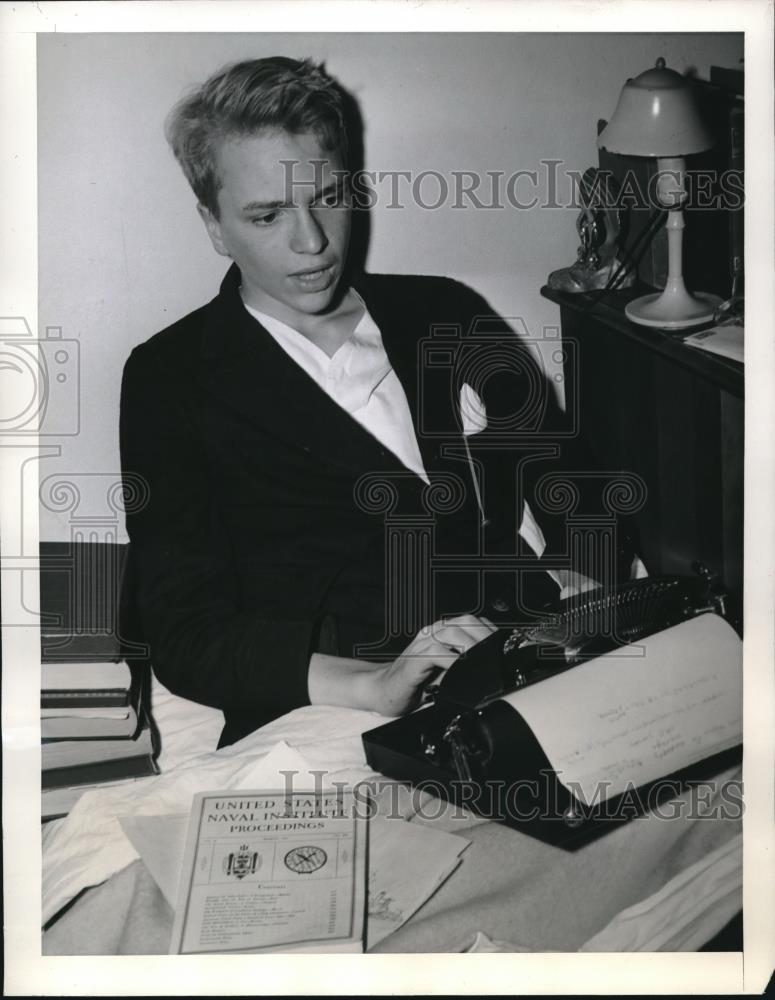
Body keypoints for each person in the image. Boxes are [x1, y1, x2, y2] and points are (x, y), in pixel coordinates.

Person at [120, 57, 635, 747]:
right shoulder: (170, 376)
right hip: (331, 698)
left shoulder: (443, 310)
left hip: (521, 652)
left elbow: (572, 486)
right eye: (267, 215)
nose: (311, 243)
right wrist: (372, 685)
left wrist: (582, 583)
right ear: (214, 225)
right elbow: (185, 635)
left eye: (326, 197)